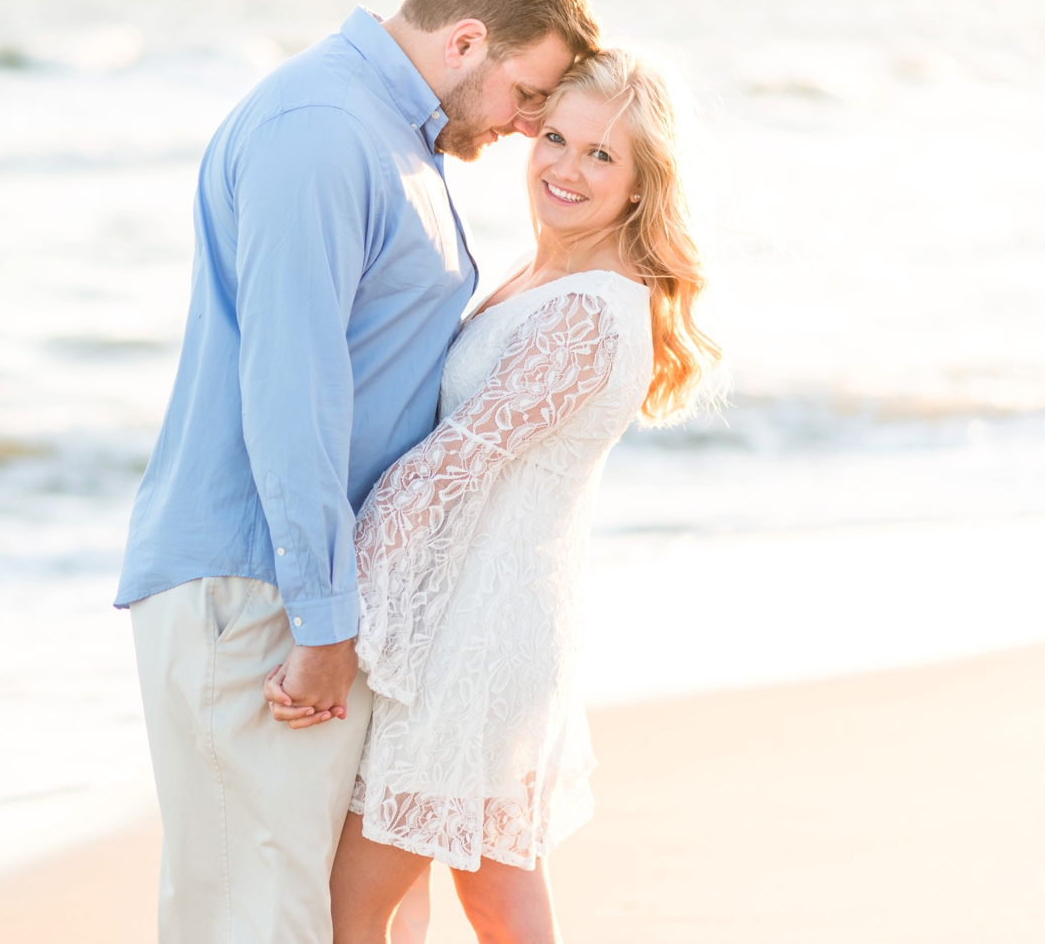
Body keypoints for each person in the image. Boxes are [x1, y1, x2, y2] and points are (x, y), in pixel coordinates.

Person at [116, 0, 599, 944]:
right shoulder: (324, 130)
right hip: (259, 587)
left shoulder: (387, 134)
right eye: (525, 94)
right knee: (257, 916)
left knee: (295, 906)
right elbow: (291, 393)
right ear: (467, 39)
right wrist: (325, 623)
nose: (523, 128)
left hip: (300, 590)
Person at [267, 47, 722, 943]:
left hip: (480, 644)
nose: (565, 167)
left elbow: (448, 467)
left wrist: (324, 611)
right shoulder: (545, 276)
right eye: (556, 136)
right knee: (473, 890)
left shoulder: (589, 311)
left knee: (357, 904)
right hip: (481, 620)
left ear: (640, 185)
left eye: (602, 155)